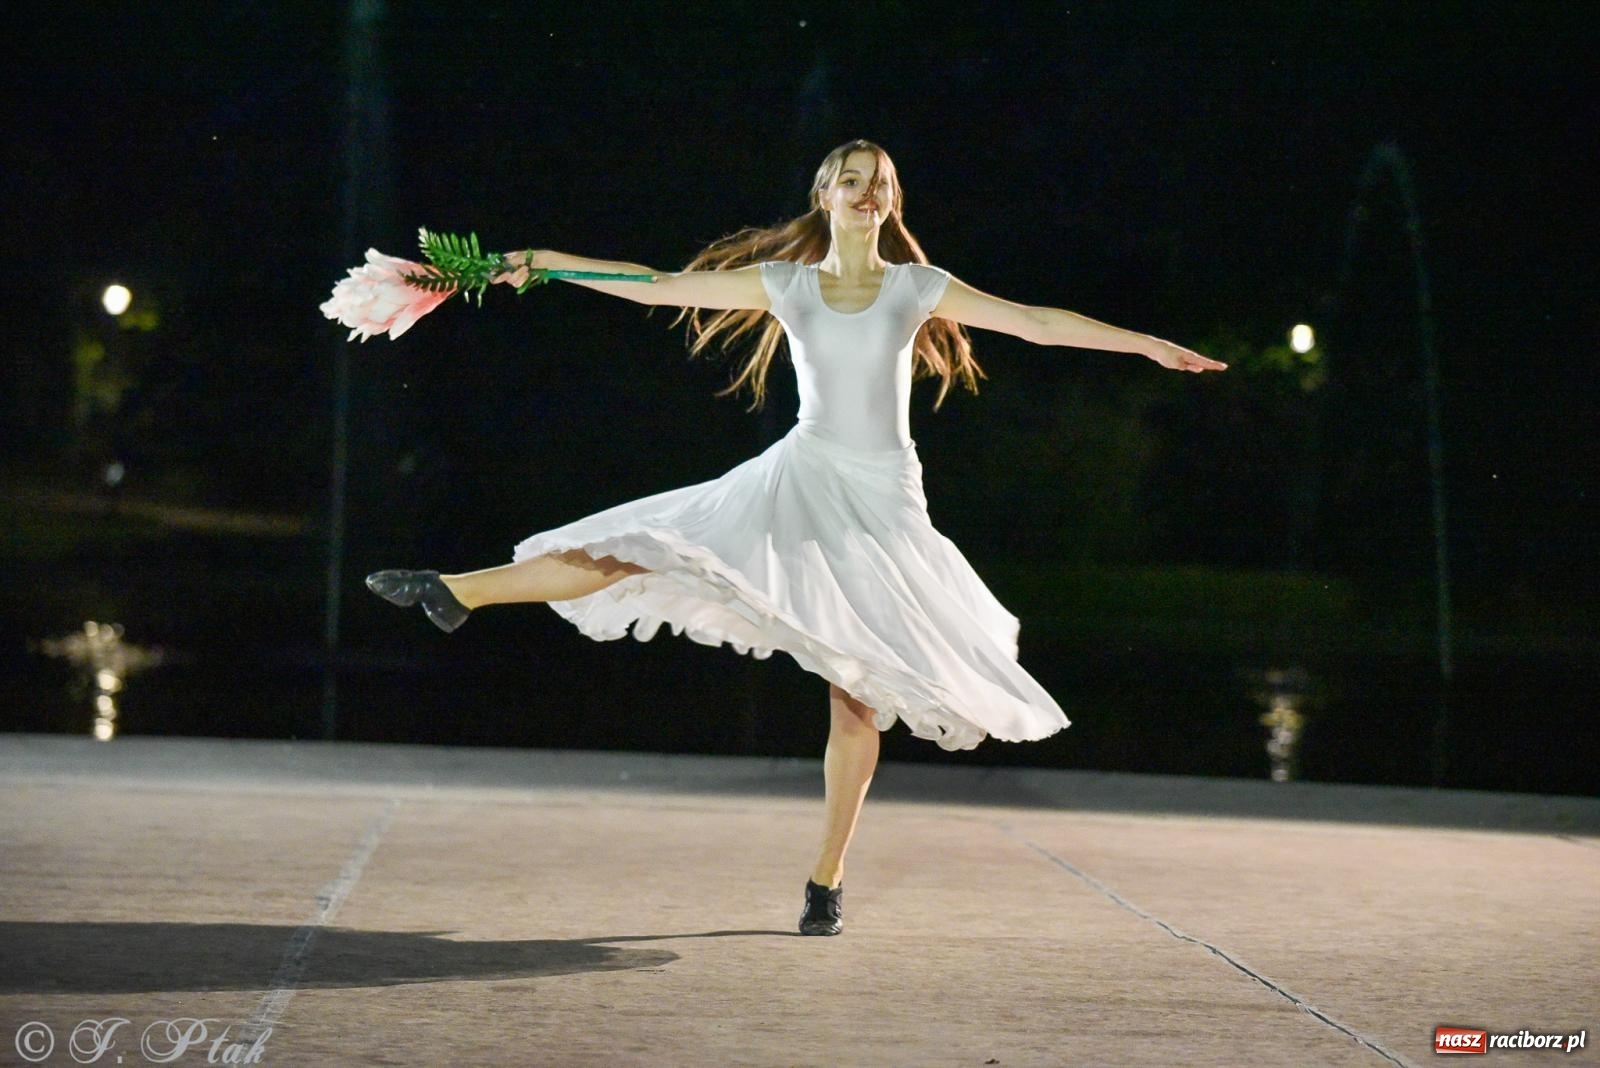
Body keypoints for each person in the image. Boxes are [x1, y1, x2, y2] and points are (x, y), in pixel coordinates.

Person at [366, 138, 1227, 937]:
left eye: (879, 182)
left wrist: (1145, 345)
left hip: (883, 500)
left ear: (891, 203)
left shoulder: (915, 288)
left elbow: (1036, 320)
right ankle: (457, 589)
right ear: (825, 193)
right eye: (851, 179)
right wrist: (552, 264)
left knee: (857, 690)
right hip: (799, 473)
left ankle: (826, 876)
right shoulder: (789, 284)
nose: (866, 192)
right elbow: (660, 284)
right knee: (648, 541)